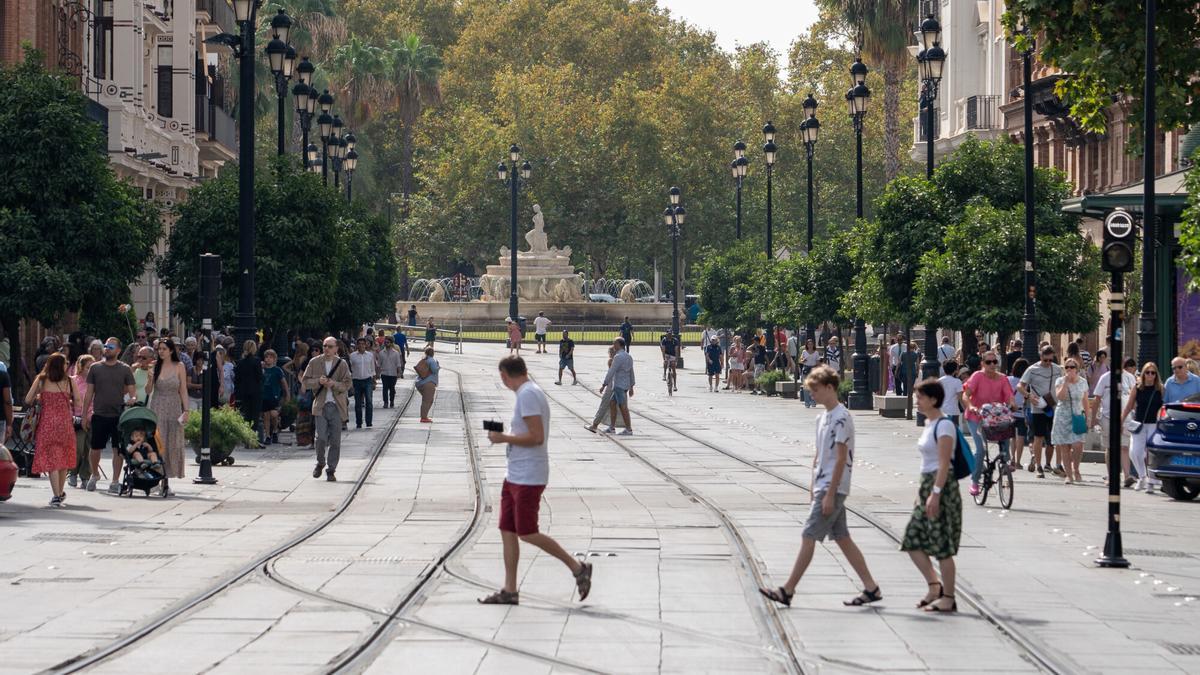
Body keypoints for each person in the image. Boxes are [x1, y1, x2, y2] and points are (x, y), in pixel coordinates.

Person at [759, 366, 880, 608]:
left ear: (829, 388)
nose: (811, 394)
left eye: (815, 390)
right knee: (843, 538)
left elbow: (841, 457)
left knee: (808, 535)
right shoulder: (822, 418)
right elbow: (819, 455)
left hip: (833, 487)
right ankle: (871, 587)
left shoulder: (842, 418)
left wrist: (829, 493)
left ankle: (788, 590)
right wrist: (813, 486)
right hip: (823, 485)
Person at [478, 356, 593, 605]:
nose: (503, 382)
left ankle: (577, 567)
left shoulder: (528, 394)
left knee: (527, 532)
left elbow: (537, 437)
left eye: (503, 377)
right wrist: (505, 433)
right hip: (515, 474)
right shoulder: (528, 393)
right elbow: (526, 430)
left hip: (529, 476)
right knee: (507, 529)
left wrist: (503, 439)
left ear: (505, 375)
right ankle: (509, 590)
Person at [901, 378, 962, 613]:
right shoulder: (929, 423)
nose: (917, 400)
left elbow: (944, 464)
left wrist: (935, 493)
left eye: (920, 397)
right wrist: (921, 493)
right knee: (912, 539)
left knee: (942, 544)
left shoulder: (944, 426)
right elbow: (927, 463)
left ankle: (948, 596)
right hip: (927, 486)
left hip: (942, 488)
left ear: (933, 399)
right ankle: (934, 585)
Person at [25, 354, 81, 506]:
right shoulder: (70, 381)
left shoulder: (42, 379)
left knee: (52, 458)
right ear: (61, 365)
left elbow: (28, 399)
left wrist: (40, 397)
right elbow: (77, 401)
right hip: (65, 423)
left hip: (47, 423)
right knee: (63, 457)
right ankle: (60, 493)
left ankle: (56, 494)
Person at [82, 338, 136, 493]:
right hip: (99, 414)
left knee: (117, 449)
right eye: (105, 346)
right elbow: (88, 393)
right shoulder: (95, 368)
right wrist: (85, 415)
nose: (107, 349)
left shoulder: (125, 369)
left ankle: (114, 481)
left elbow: (133, 392)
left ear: (119, 350)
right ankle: (95, 474)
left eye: (110, 347)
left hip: (118, 415)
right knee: (95, 448)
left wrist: (133, 399)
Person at [964, 351, 1014, 494]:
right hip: (976, 417)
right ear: (982, 364)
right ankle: (974, 481)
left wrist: (1012, 404)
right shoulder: (977, 376)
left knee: (1006, 432)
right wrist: (971, 406)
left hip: (996, 417)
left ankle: (1005, 461)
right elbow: (966, 395)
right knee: (981, 449)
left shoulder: (1003, 378)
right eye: (988, 362)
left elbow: (1009, 395)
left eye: (994, 362)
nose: (992, 365)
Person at [302, 337, 352, 481]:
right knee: (321, 438)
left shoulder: (342, 364)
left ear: (336, 348)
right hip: (320, 406)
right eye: (325, 346)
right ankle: (320, 462)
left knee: (335, 440)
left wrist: (333, 384)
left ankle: (331, 469)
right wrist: (319, 381)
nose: (327, 349)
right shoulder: (314, 362)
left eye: (330, 346)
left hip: (337, 406)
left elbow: (347, 383)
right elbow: (305, 382)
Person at [146, 338, 188, 494]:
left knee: (172, 443)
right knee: (159, 443)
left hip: (174, 407)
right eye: (159, 349)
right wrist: (150, 379)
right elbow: (148, 391)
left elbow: (183, 389)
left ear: (171, 350)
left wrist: (186, 410)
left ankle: (166, 480)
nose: (161, 351)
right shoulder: (155, 366)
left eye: (164, 348)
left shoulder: (180, 366)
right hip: (158, 406)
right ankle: (156, 477)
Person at [1018, 346, 1064, 478]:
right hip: (1038, 408)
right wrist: (1029, 396)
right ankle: (1039, 466)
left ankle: (1049, 464)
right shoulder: (1032, 369)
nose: (1048, 363)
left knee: (1053, 439)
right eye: (1046, 360)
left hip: (1054, 406)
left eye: (1051, 360)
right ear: (1041, 357)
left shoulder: (1057, 369)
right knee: (1038, 437)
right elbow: (1020, 386)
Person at [1090, 357, 1136, 488]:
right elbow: (1097, 399)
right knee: (1110, 448)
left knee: (1124, 447)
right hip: (1107, 417)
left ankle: (1127, 476)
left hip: (1126, 418)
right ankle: (1111, 476)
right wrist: (1093, 419)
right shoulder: (1105, 378)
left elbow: (1134, 398)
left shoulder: (1130, 378)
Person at [1121, 362, 1164, 493]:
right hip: (1139, 424)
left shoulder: (1160, 389)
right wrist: (1121, 421)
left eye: (1153, 372)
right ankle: (1142, 476)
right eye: (1147, 372)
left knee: (1151, 454)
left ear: (1156, 375)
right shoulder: (1137, 387)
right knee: (1135, 452)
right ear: (1143, 374)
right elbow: (1129, 406)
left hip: (1153, 424)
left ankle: (1150, 482)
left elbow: (1164, 406)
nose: (1150, 375)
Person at [1050, 357, 1089, 485]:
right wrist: (1066, 383)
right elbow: (1059, 397)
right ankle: (1068, 475)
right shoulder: (1060, 381)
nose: (1069, 369)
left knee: (1078, 445)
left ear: (1077, 369)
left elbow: (1085, 401)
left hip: (1077, 415)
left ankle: (1076, 469)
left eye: (1072, 367)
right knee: (1064, 446)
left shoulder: (1082, 382)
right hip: (1062, 415)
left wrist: (1088, 417)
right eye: (1067, 367)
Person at [601, 337, 635, 434]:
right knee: (612, 403)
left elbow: (612, 371)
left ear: (619, 345)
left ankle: (629, 429)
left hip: (619, 385)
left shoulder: (618, 357)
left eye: (614, 343)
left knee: (623, 407)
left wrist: (604, 384)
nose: (613, 345)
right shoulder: (629, 356)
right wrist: (631, 386)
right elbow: (631, 372)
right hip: (624, 385)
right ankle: (612, 427)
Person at [261, 349, 288, 443]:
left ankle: (275, 430)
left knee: (273, 415)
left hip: (274, 395)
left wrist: (286, 394)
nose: (267, 359)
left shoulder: (277, 370)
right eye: (266, 357)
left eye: (270, 357)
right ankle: (268, 435)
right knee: (266, 416)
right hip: (264, 395)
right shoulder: (262, 369)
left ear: (274, 359)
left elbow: (283, 383)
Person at [349, 338, 377, 430]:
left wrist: (374, 380)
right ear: (357, 345)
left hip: (367, 380)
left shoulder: (370, 355)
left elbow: (372, 368)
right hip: (356, 381)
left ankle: (369, 422)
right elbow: (350, 370)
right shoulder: (352, 356)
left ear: (366, 345)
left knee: (369, 401)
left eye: (363, 344)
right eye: (359, 344)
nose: (361, 345)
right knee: (358, 403)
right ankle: (359, 422)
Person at [1008, 358, 1030, 471]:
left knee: (1012, 437)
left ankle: (1012, 458)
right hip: (1022, 412)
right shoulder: (1026, 383)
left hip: (1010, 411)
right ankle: (1018, 461)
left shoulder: (1008, 379)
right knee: (1021, 437)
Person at [414, 346, 439, 423]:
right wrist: (438, 366)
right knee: (427, 400)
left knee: (429, 400)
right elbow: (435, 370)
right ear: (433, 353)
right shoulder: (431, 360)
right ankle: (423, 417)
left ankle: (424, 416)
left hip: (420, 382)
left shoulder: (424, 359)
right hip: (429, 383)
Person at [377, 337, 403, 408]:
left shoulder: (396, 353)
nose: (386, 344)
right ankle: (385, 402)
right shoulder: (381, 353)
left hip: (393, 374)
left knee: (392, 388)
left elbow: (398, 364)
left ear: (391, 343)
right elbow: (379, 364)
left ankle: (392, 401)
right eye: (385, 342)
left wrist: (399, 373)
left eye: (388, 342)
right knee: (385, 388)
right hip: (384, 373)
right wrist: (378, 374)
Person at [938, 360, 964, 429]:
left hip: (941, 411)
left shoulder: (939, 381)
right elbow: (960, 398)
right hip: (953, 411)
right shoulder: (957, 382)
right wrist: (965, 410)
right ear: (955, 370)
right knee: (954, 432)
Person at [799, 338, 821, 407]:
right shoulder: (804, 352)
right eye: (809, 344)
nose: (810, 345)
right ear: (807, 345)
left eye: (811, 344)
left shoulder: (816, 352)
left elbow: (818, 362)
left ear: (813, 345)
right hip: (806, 369)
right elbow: (801, 360)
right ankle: (807, 402)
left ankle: (813, 401)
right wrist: (803, 360)